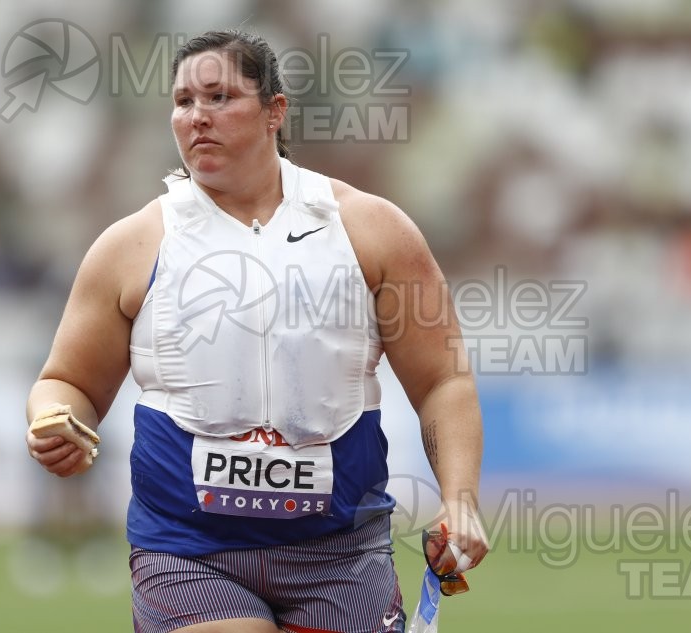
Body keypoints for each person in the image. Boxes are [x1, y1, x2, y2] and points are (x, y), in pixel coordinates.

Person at [25, 29, 488, 633]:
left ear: (275, 111)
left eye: (219, 97)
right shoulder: (132, 245)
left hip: (340, 551)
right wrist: (52, 418)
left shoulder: (371, 230)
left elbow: (442, 381)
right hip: (187, 547)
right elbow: (64, 381)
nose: (197, 117)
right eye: (184, 101)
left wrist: (460, 501)